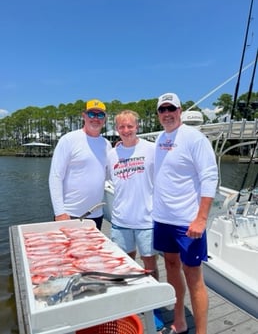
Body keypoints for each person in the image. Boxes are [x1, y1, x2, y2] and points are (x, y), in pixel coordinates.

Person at [152, 93, 218, 334]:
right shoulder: (159, 139)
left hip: (187, 223)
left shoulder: (195, 138)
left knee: (193, 276)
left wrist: (201, 218)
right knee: (171, 266)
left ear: (179, 111)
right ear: (158, 114)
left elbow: (210, 177)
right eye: (162, 109)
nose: (167, 113)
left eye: (171, 108)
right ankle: (179, 320)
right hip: (162, 220)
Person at [107, 110, 164, 332]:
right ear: (117, 129)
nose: (126, 130)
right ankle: (128, 304)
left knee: (149, 266)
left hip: (146, 220)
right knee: (124, 265)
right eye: (121, 127)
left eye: (130, 126)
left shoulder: (151, 149)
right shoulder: (112, 154)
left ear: (137, 127)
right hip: (120, 220)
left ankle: (154, 305)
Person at [49, 99, 112, 230]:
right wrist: (59, 212)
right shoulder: (68, 140)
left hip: (96, 215)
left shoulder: (107, 144)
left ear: (105, 118)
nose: (96, 118)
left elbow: (107, 176)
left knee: (91, 251)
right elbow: (55, 177)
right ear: (84, 116)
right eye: (91, 114)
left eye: (100, 115)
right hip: (69, 214)